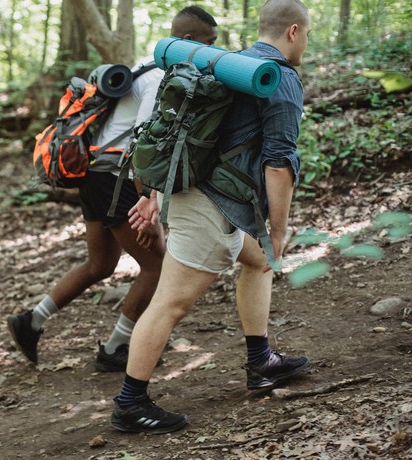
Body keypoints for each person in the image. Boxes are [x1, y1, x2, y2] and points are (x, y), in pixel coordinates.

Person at [109, 0, 312, 434]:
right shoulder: (279, 79)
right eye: (307, 36)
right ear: (294, 32)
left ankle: (261, 362)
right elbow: (279, 163)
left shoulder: (233, 65)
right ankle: (130, 402)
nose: (305, 45)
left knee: (258, 263)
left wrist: (158, 197)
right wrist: (279, 229)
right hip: (211, 208)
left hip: (199, 196)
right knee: (170, 303)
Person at [7, 6, 219, 372]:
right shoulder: (160, 78)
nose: (215, 52)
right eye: (210, 44)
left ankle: (31, 320)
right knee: (157, 265)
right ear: (187, 42)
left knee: (101, 264)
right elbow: (143, 145)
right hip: (115, 178)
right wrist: (146, 202)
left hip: (96, 174)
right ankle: (116, 348)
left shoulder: (146, 65)